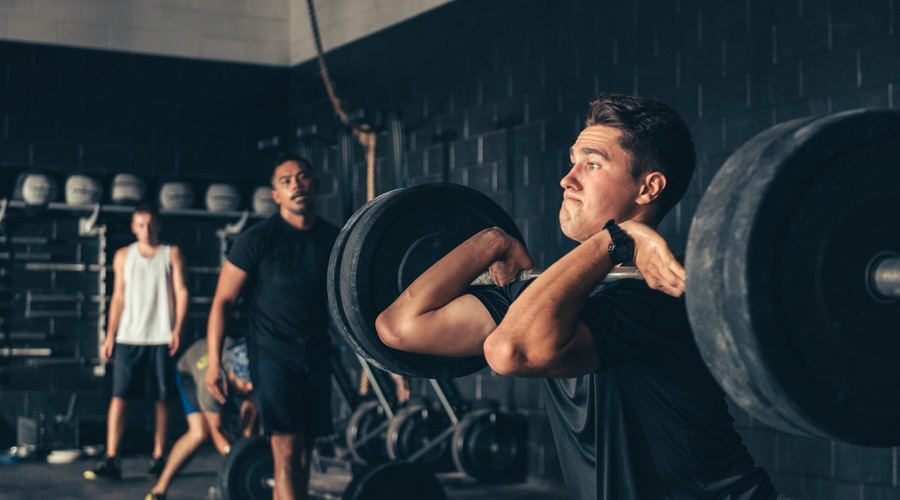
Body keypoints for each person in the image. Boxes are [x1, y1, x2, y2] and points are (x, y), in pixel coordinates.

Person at [376, 93, 780, 499]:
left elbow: (511, 350)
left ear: (648, 187)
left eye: (592, 164)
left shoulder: (661, 295)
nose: (567, 180)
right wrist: (491, 241)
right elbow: (399, 327)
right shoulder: (549, 300)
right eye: (573, 162)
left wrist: (616, 240)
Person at [205, 153, 339, 500]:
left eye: (303, 177)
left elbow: (358, 304)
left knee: (307, 453)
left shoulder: (333, 240)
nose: (296, 184)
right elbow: (222, 301)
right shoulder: (257, 239)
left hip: (316, 354)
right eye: (286, 181)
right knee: (286, 450)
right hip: (273, 357)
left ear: (315, 185)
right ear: (276, 195)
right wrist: (214, 362)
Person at [85, 204, 189, 481]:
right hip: (129, 337)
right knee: (119, 397)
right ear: (133, 227)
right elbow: (118, 296)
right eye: (141, 225)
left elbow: (182, 292)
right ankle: (112, 458)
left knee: (162, 399)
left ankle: (158, 457)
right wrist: (110, 335)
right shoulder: (123, 256)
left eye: (151, 224)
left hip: (161, 336)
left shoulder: (171, 253)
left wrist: (178, 328)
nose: (147, 230)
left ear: (159, 225)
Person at [145, 339, 258, 500]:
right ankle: (159, 490)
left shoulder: (250, 380)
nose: (250, 387)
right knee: (199, 433)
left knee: (250, 425)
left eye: (251, 381)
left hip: (219, 358)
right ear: (232, 375)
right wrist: (239, 462)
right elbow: (216, 431)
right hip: (188, 371)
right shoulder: (211, 385)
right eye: (246, 382)